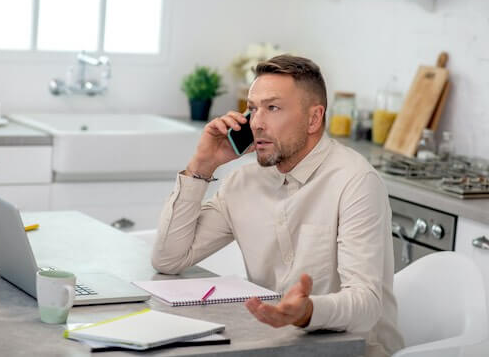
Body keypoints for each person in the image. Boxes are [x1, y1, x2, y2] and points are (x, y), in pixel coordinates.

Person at [152, 54, 403, 357]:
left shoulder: (356, 181)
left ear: (314, 118)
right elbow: (168, 259)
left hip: (354, 350)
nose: (256, 122)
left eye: (272, 108)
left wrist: (307, 311)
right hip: (275, 345)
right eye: (252, 109)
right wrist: (202, 165)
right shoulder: (242, 182)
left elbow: (366, 305)